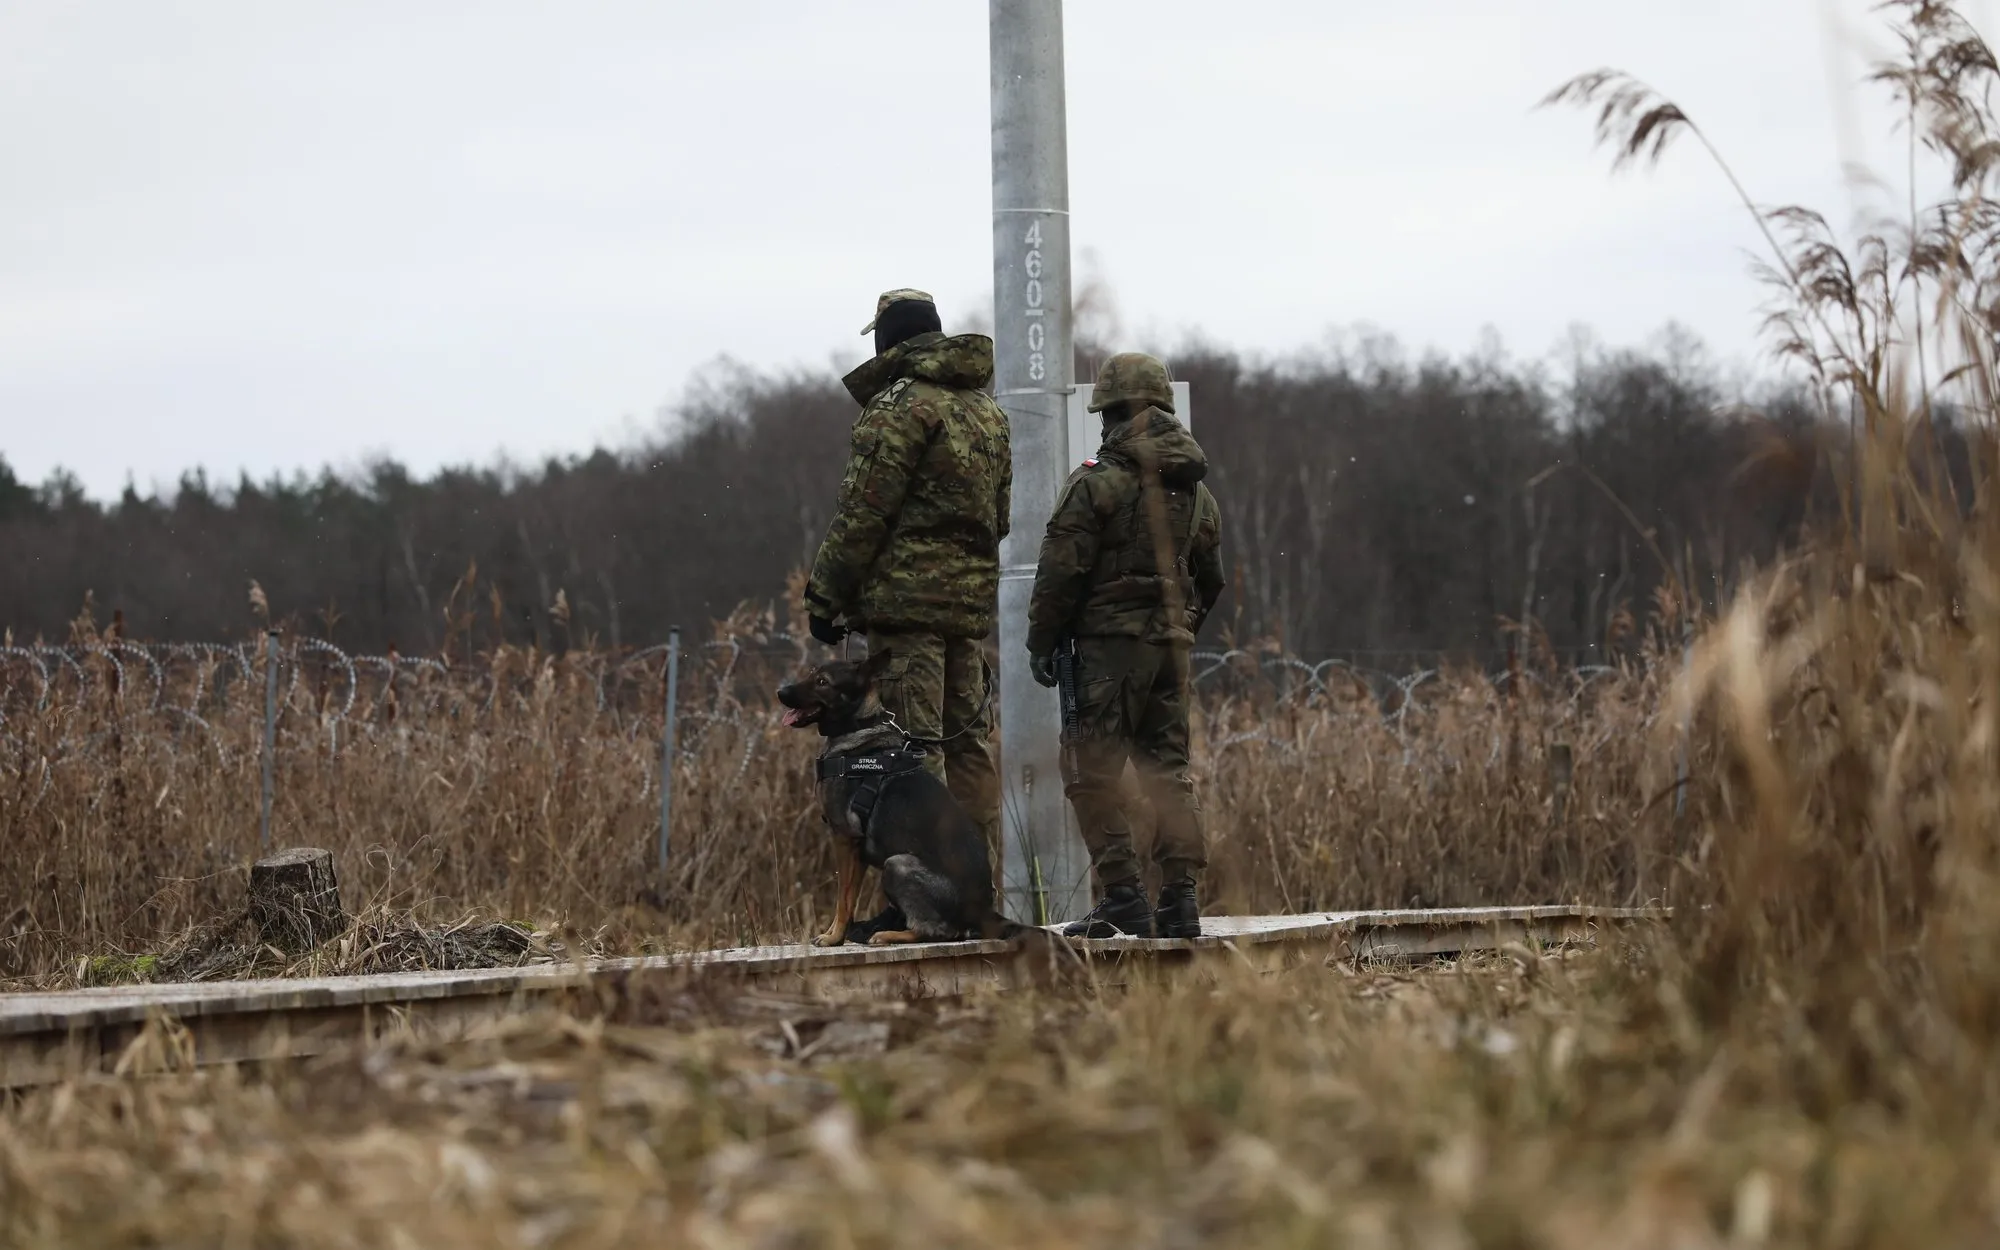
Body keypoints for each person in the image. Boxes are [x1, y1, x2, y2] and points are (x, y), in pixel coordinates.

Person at [1025, 352, 1224, 939]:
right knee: (1168, 772)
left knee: (1089, 768)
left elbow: (1060, 571)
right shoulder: (1196, 493)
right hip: (1170, 651)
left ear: (1109, 413)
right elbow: (1210, 581)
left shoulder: (1096, 481)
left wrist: (1041, 642)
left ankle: (1121, 896)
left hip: (1106, 651)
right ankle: (1180, 901)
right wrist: (1176, 625)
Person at [805, 289, 1011, 857]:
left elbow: (864, 514)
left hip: (905, 614)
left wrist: (825, 596)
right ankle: (979, 895)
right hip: (966, 615)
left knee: (913, 752)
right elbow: (999, 519)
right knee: (968, 748)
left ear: (886, 338)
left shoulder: (898, 407)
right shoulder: (987, 412)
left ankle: (928, 898)